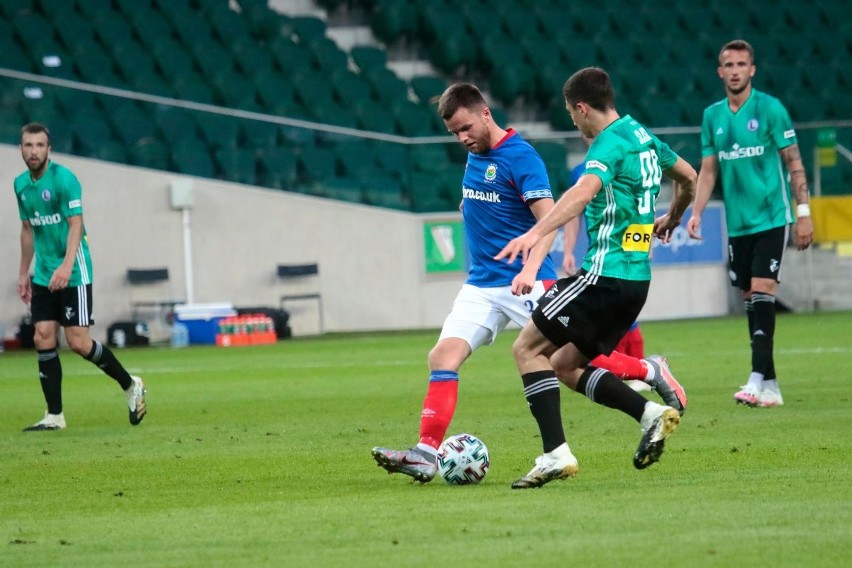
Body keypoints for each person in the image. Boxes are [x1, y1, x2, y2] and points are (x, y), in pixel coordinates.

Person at [495, 67, 697, 488]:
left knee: (526, 349)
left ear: (583, 107)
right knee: (565, 364)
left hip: (603, 277)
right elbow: (690, 178)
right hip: (636, 282)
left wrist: (536, 232)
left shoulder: (607, 145)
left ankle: (555, 455)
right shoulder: (643, 137)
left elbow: (584, 191)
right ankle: (650, 414)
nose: (574, 122)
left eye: (572, 114)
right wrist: (672, 218)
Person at [371, 83, 560, 483]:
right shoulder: (475, 155)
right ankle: (425, 454)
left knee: (572, 363)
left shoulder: (522, 157)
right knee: (442, 357)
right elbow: (485, 196)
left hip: (527, 282)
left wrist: (529, 271)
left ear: (485, 112)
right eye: (454, 133)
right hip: (481, 285)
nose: (462, 138)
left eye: (466, 128)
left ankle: (647, 371)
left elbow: (551, 220)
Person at [686, 39, 814, 408]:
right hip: (738, 223)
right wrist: (695, 213)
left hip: (772, 217)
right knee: (750, 299)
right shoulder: (713, 116)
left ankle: (756, 379)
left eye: (743, 63)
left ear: (752, 69)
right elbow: (708, 170)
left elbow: (794, 162)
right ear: (720, 71)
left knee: (761, 290)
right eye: (730, 64)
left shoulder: (770, 109)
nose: (736, 70)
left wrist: (803, 215)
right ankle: (770, 385)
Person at [15, 122, 147, 431]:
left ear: (49, 149)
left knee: (78, 342)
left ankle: (131, 385)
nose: (33, 151)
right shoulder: (20, 185)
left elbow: (76, 224)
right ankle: (54, 416)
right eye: (28, 145)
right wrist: (24, 272)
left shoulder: (64, 180)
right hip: (44, 271)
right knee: (42, 336)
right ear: (21, 149)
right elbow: (27, 229)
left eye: (39, 145)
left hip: (74, 270)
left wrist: (66, 266)